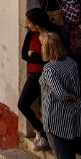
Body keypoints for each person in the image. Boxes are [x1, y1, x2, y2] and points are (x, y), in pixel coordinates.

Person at [39, 31, 81, 159]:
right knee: (68, 149)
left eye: (43, 45)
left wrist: (69, 96)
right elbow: (76, 87)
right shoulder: (71, 63)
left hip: (56, 115)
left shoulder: (50, 68)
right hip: (72, 114)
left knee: (59, 150)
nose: (41, 48)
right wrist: (74, 96)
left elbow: (60, 93)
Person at [18, 8, 54, 151]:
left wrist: (34, 56)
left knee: (48, 109)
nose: (28, 25)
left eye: (29, 22)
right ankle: (41, 131)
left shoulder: (52, 35)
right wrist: (37, 57)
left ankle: (50, 139)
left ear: (37, 23)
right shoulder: (30, 35)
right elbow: (24, 55)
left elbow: (50, 59)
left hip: (49, 76)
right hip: (33, 75)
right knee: (22, 104)